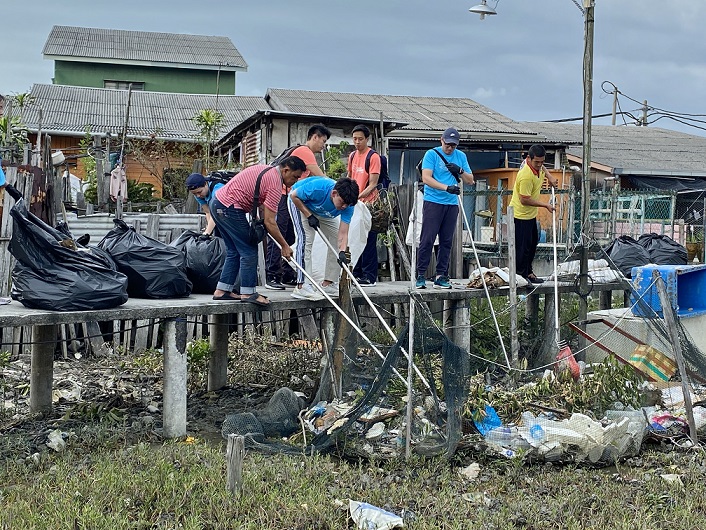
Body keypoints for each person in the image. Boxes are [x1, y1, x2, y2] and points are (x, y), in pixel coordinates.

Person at [210, 156, 306, 307]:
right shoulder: (275, 183)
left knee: (234, 251)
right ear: (285, 170)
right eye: (295, 177)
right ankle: (248, 293)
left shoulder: (266, 169)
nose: (295, 181)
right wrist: (285, 246)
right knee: (249, 250)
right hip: (230, 207)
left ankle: (222, 290)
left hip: (217, 203)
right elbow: (270, 221)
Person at [265, 124, 331, 291]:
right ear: (314, 137)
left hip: (291, 197)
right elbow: (320, 176)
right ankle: (272, 275)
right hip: (280, 194)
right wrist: (337, 188)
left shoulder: (305, 153)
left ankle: (288, 273)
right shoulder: (304, 151)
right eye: (323, 141)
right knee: (278, 231)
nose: (323, 146)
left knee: (290, 235)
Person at [416, 127, 475, 289]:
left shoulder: (461, 156)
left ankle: (441, 275)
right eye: (447, 144)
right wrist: (446, 188)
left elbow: (470, 180)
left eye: (453, 145)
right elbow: (426, 177)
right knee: (427, 238)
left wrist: (460, 170)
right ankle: (420, 274)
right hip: (433, 201)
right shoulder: (431, 154)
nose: (450, 148)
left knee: (446, 241)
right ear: (441, 140)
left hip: (451, 204)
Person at [288, 176, 359, 300]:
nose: (344, 207)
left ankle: (328, 284)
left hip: (322, 212)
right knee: (306, 240)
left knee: (336, 239)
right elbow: (294, 196)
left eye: (347, 205)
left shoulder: (348, 205)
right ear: (334, 193)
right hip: (300, 203)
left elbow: (343, 233)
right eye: (342, 202)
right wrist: (309, 215)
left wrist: (342, 252)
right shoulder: (318, 188)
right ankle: (302, 285)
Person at [509, 144, 557, 284]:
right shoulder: (526, 175)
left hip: (530, 215)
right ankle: (520, 276)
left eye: (542, 162)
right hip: (520, 214)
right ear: (528, 159)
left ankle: (528, 272)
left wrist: (549, 176)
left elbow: (542, 168)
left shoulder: (538, 167)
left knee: (532, 244)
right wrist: (545, 205)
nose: (539, 165)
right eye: (537, 162)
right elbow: (524, 199)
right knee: (522, 248)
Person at [348, 124, 382, 286]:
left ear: (367, 139)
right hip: (354, 204)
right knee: (354, 238)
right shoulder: (353, 156)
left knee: (368, 240)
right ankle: (357, 272)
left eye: (360, 139)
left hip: (368, 203)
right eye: (354, 139)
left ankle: (369, 275)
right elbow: (349, 176)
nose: (357, 142)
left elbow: (373, 184)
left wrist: (357, 196)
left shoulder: (373, 157)